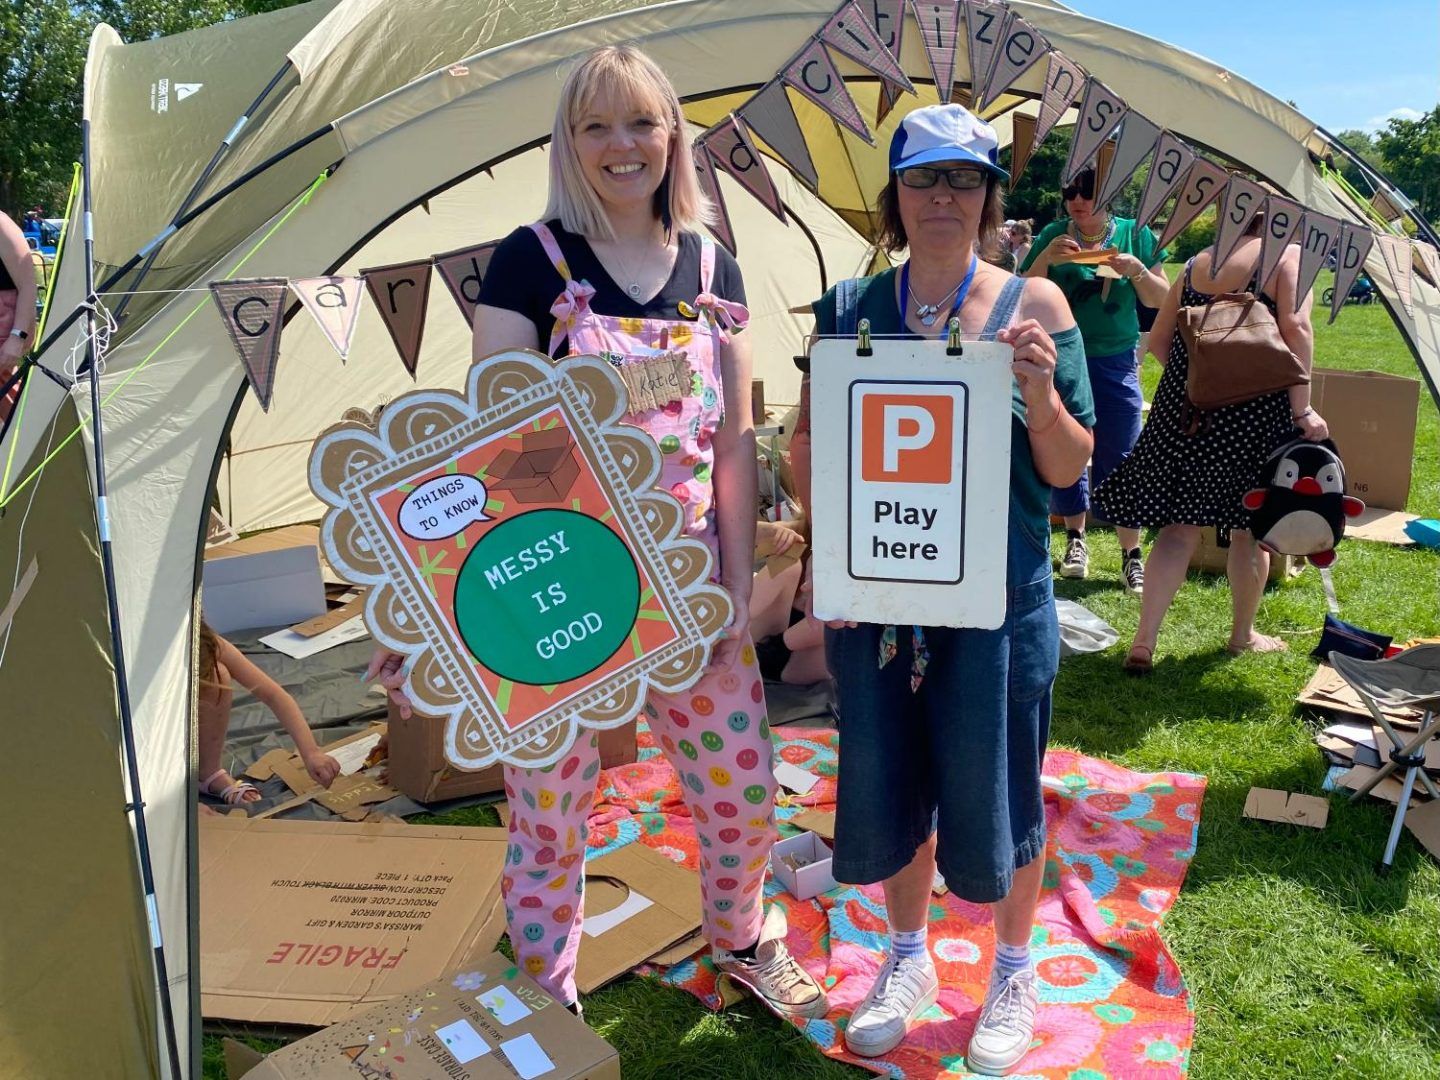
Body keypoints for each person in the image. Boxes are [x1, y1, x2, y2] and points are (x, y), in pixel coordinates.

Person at [370, 44, 825, 1019]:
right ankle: (550, 994)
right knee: (550, 817)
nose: (623, 145)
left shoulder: (714, 266)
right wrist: (437, 614)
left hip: (693, 586)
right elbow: (484, 447)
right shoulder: (532, 263)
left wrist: (739, 590)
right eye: (596, 125)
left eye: (641, 121)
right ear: (569, 142)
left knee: (743, 798)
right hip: (561, 592)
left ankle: (742, 938)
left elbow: (737, 443)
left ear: (673, 136)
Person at [799, 104, 1095, 1074]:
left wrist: (1041, 397)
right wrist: (824, 562)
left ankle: (1012, 968)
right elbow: (809, 448)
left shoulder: (1035, 308)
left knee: (1004, 789)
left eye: (963, 180)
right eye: (924, 179)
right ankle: (908, 957)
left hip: (997, 600)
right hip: (881, 601)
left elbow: (1068, 471)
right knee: (892, 783)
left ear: (988, 196)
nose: (943, 198)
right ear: (896, 195)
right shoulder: (848, 308)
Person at [1093, 216, 1327, 672]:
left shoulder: (1198, 263)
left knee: (1177, 529)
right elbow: (1296, 327)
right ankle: (1242, 636)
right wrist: (1301, 410)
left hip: (1186, 410)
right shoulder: (1288, 254)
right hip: (1255, 413)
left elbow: (1160, 341)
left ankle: (1144, 642)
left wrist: (1205, 377)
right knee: (1251, 531)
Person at [1019, 167, 1170, 593]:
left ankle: (1131, 555)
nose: (1077, 201)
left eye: (1087, 193)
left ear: (1109, 196)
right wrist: (1047, 257)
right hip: (1064, 357)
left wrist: (1138, 270)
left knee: (1121, 451)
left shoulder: (1134, 234)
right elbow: (1021, 294)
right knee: (1064, 447)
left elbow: (1162, 299)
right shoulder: (1053, 233)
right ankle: (1075, 540)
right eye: (1070, 193)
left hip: (1115, 358)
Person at [196, 621, 340, 805]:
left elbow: (273, 695)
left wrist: (311, 752)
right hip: (153, 742)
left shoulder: (207, 643)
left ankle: (207, 772)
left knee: (217, 675)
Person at [1, 211, 39, 423]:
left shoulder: (1, 225)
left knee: (17, 422)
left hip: (4, 338)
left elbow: (27, 286)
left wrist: (18, 337)